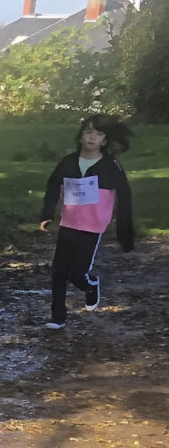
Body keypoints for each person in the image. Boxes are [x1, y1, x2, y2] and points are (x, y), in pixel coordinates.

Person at [39, 113, 134, 329]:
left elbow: (125, 194)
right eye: (88, 132)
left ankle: (90, 285)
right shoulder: (69, 162)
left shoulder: (110, 165)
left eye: (98, 134)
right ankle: (58, 317)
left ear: (105, 140)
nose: (92, 137)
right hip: (69, 223)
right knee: (59, 272)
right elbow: (53, 185)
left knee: (76, 273)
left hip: (92, 226)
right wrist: (47, 213)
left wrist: (124, 230)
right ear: (81, 135)